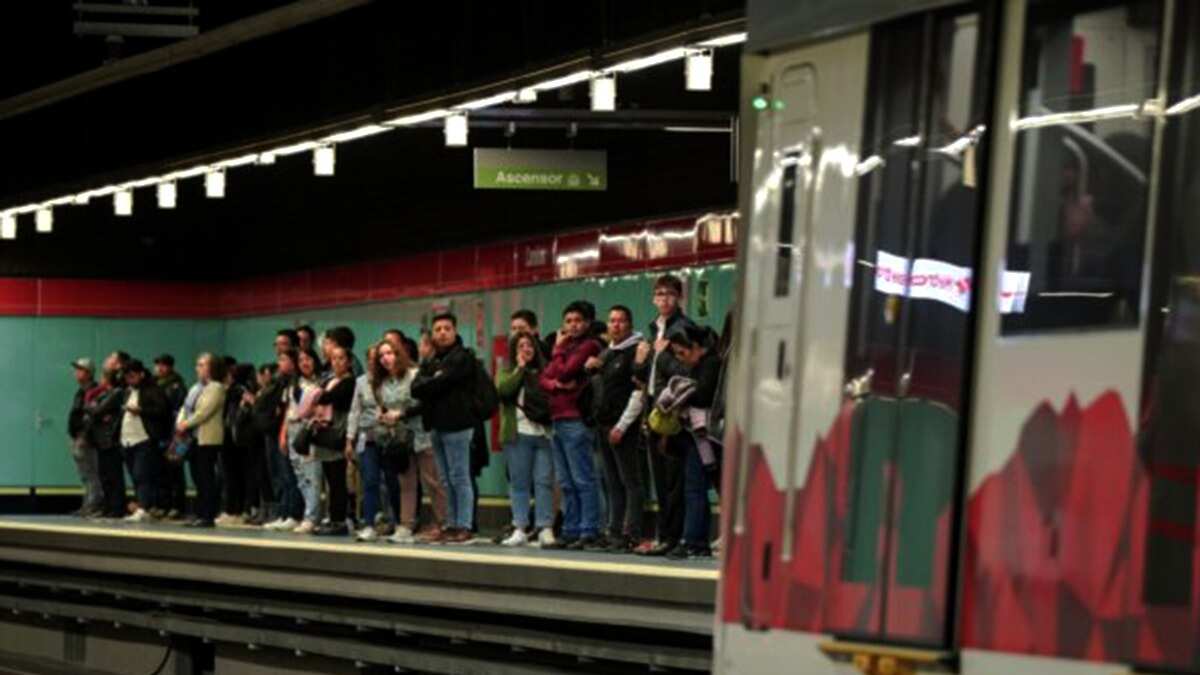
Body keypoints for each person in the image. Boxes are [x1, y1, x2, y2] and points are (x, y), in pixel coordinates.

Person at [633, 274, 696, 556]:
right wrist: (642, 360)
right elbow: (644, 378)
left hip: (673, 416)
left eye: (670, 294)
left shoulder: (684, 329)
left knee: (673, 480)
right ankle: (664, 534)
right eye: (659, 294)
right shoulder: (653, 330)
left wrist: (663, 356)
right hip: (654, 412)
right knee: (660, 479)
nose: (664, 299)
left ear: (679, 297)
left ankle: (674, 537)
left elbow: (688, 373)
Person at [539, 301, 604, 549]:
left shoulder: (590, 345)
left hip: (576, 418)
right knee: (565, 481)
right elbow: (544, 378)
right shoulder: (568, 347)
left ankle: (589, 529)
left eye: (578, 320)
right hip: (557, 419)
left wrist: (557, 350)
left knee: (582, 478)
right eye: (568, 321)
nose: (572, 325)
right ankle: (571, 528)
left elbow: (566, 371)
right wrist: (555, 384)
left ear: (587, 323)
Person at [411, 313, 478, 544]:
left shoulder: (463, 357)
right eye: (438, 329)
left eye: (447, 328)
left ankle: (464, 525)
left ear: (455, 330)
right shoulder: (431, 361)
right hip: (436, 426)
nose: (442, 332)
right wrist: (435, 380)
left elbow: (444, 382)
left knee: (460, 477)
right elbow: (415, 388)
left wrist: (434, 381)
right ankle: (450, 523)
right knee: (445, 479)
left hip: (458, 425)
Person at [588, 305, 647, 552]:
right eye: (611, 321)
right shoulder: (606, 354)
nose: (615, 325)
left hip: (624, 427)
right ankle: (614, 532)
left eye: (621, 321)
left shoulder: (637, 351)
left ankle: (631, 532)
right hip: (603, 424)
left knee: (630, 482)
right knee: (611, 482)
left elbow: (638, 393)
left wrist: (622, 426)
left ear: (630, 324)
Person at [666, 325, 723, 559]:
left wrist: (683, 395)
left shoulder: (710, 364)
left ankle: (693, 539)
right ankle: (696, 540)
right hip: (701, 435)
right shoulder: (704, 364)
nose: (682, 359)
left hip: (705, 435)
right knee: (696, 487)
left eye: (683, 353)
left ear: (697, 347)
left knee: (695, 487)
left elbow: (702, 395)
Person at [496, 331, 556, 547]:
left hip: (544, 434)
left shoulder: (545, 371)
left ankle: (545, 527)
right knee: (519, 483)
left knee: (544, 482)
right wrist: (520, 369)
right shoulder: (506, 371)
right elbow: (503, 391)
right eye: (521, 346)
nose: (526, 349)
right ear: (514, 351)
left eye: (529, 345)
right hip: (518, 433)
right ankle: (520, 527)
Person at [402, 331, 449, 542]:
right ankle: (408, 522)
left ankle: (444, 522)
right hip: (412, 434)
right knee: (412, 480)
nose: (423, 348)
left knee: (434, 480)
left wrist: (403, 412)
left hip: (428, 431)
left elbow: (424, 399)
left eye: (425, 344)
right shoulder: (422, 370)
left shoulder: (434, 368)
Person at [175, 353, 226, 528]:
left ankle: (207, 515)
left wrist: (186, 424)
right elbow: (185, 407)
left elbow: (204, 412)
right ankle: (199, 513)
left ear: (212, 367)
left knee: (206, 478)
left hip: (207, 439)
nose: (198, 368)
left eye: (202, 364)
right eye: (198, 364)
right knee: (197, 477)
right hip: (192, 438)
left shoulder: (216, 387)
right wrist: (180, 422)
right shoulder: (195, 387)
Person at [311, 345, 356, 536]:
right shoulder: (329, 380)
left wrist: (319, 396)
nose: (337, 362)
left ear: (349, 362)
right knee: (329, 479)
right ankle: (333, 517)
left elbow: (327, 397)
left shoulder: (349, 382)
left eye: (341, 358)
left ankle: (340, 520)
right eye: (334, 359)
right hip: (324, 430)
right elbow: (317, 398)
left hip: (338, 431)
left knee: (338, 480)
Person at [119, 360, 171, 523]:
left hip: (144, 438)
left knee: (142, 474)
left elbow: (163, 411)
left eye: (132, 376)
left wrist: (141, 411)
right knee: (134, 475)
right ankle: (143, 505)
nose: (130, 380)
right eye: (127, 377)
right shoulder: (127, 391)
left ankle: (144, 507)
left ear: (141, 374)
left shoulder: (153, 390)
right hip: (127, 439)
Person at [260, 350, 304, 531]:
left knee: (292, 476)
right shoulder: (281, 382)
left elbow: (290, 410)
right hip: (281, 431)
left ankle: (294, 513)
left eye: (284, 359)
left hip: (295, 432)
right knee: (282, 475)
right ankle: (284, 512)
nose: (280, 363)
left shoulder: (297, 382)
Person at [284, 347, 324, 534]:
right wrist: (284, 434)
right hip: (293, 432)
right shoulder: (295, 384)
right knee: (300, 477)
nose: (305, 363)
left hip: (309, 433)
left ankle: (312, 516)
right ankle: (307, 514)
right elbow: (289, 410)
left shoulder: (321, 382)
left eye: (308, 359)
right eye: (301, 360)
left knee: (312, 476)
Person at [86, 358, 127, 519]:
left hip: (110, 439)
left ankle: (117, 507)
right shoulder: (103, 394)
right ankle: (108, 505)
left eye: (103, 378)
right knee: (104, 475)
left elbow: (97, 410)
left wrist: (96, 410)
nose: (100, 381)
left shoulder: (116, 393)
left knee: (113, 475)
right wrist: (95, 410)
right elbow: (91, 407)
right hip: (100, 439)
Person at [216, 361, 253, 526]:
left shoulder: (236, 391)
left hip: (233, 438)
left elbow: (231, 416)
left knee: (233, 476)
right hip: (233, 438)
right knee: (233, 476)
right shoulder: (240, 390)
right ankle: (232, 509)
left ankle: (234, 510)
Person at [68, 358, 104, 517]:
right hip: (78, 438)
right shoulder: (81, 391)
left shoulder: (94, 391)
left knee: (91, 473)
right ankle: (87, 503)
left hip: (87, 440)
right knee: (84, 475)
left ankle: (94, 503)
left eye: (80, 369)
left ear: (88, 373)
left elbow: (91, 416)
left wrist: (84, 435)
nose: (76, 373)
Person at [154, 354, 188, 519]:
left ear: (170, 367)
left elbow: (178, 411)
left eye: (163, 365)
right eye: (157, 365)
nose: (160, 368)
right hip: (159, 432)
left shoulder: (177, 386)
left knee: (175, 470)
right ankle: (163, 504)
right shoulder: (154, 385)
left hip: (175, 434)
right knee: (160, 471)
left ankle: (177, 505)